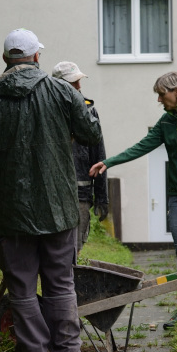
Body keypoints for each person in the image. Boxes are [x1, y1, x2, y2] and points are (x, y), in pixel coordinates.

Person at [0, 29, 103, 352]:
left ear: (6, 60)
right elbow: (91, 132)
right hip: (59, 210)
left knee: (22, 288)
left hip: (13, 214)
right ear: (37, 57)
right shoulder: (62, 91)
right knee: (61, 284)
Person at [89, 72, 177, 329]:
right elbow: (141, 147)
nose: (160, 100)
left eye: (162, 95)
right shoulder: (166, 122)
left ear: (176, 91)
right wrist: (108, 162)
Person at [51, 61, 108, 251]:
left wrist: (102, 197)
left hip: (80, 194)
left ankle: (69, 279)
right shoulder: (45, 112)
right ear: (58, 85)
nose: (79, 86)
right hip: (52, 195)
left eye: (79, 81)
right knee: (55, 249)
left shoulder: (89, 111)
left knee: (75, 248)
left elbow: (99, 156)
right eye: (73, 82)